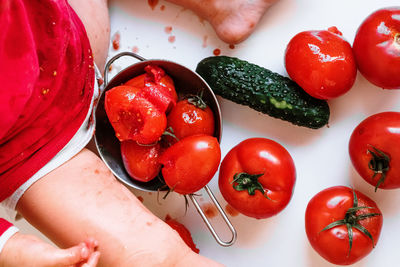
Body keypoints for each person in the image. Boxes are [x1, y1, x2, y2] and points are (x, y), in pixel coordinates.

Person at [0, 0, 277, 266]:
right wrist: (7, 248)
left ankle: (220, 4)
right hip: (25, 155)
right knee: (157, 260)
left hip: (56, 35)